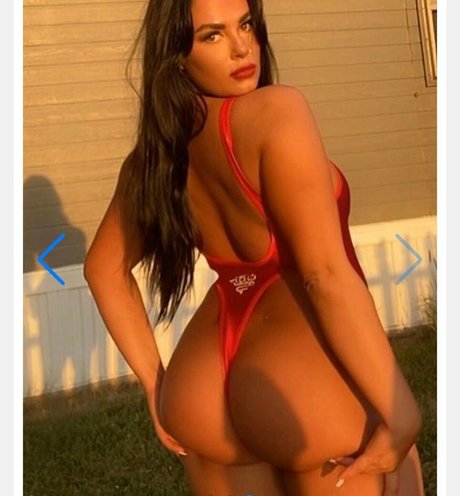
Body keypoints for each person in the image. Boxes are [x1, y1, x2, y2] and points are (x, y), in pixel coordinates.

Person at [84, 0, 426, 494]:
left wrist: (157, 384)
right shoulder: (276, 111)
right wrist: (401, 411)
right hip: (299, 375)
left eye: (245, 24)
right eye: (213, 35)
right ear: (176, 56)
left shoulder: (153, 157)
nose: (242, 47)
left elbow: (102, 269)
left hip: (201, 387)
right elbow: (324, 275)